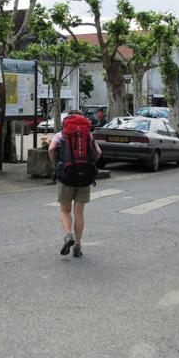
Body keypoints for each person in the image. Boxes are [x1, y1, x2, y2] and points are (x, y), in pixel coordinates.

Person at [48, 110, 102, 258]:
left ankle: (68, 235)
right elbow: (98, 152)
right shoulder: (87, 135)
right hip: (84, 177)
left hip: (66, 176)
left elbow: (51, 149)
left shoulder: (61, 135)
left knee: (65, 210)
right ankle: (78, 245)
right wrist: (89, 165)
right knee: (79, 212)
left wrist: (55, 166)